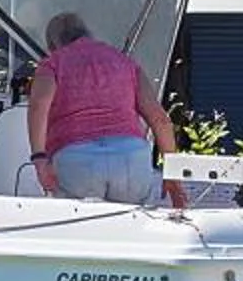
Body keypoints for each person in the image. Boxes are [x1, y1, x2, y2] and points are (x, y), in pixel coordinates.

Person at [25, 11, 176, 203]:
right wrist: (172, 172)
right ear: (89, 34)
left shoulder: (53, 63)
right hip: (130, 158)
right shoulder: (126, 63)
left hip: (76, 159)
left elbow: (38, 107)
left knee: (77, 229)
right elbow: (159, 118)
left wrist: (39, 159)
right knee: (129, 229)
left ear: (53, 46)